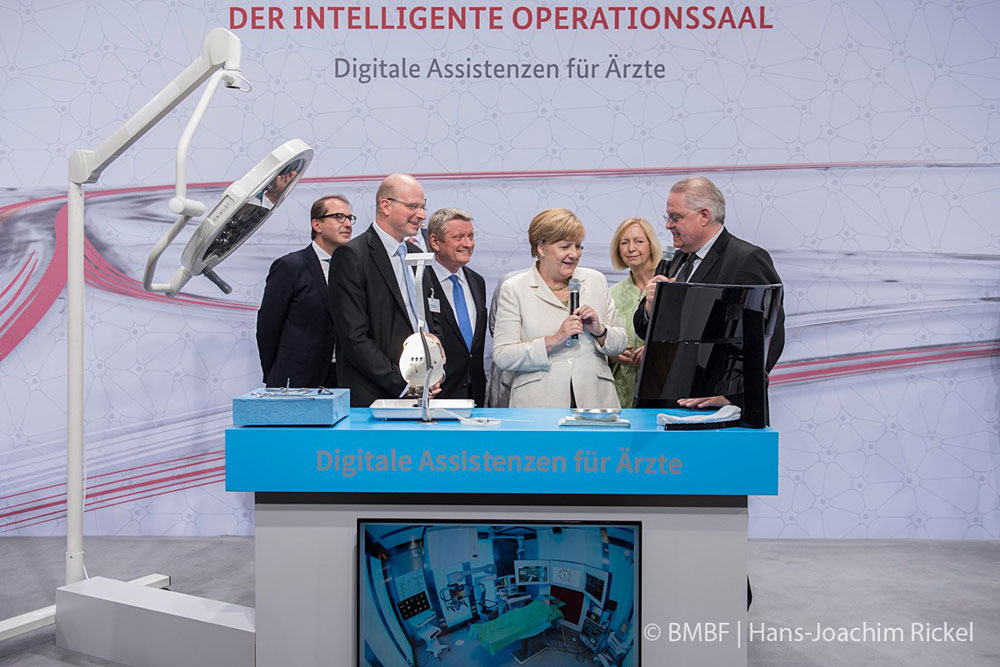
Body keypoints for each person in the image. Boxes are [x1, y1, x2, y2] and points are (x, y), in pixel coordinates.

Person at [633, 175, 785, 409]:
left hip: (714, 409)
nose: (667, 225)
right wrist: (649, 309)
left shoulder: (747, 259)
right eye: (668, 217)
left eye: (676, 218)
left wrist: (735, 395)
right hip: (662, 400)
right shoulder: (675, 260)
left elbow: (769, 333)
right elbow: (647, 331)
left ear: (704, 215)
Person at [492, 208, 627, 409]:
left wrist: (600, 331)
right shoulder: (514, 288)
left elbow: (621, 342)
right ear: (541, 248)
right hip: (538, 407)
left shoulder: (595, 280)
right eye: (565, 246)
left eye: (578, 246)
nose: (574, 254)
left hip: (596, 404)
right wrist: (554, 340)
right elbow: (504, 355)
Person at [329, 174, 441, 407]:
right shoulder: (352, 256)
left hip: (421, 393)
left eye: (423, 207)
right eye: (412, 206)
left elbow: (430, 318)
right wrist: (404, 384)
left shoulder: (415, 255)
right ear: (385, 205)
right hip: (375, 398)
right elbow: (354, 337)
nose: (421, 215)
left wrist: (435, 367)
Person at [256, 195, 354, 388]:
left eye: (350, 218)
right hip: (298, 380)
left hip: (344, 379)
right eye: (339, 217)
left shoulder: (354, 268)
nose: (348, 224)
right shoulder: (290, 266)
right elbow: (268, 328)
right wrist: (276, 374)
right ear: (317, 225)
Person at [423, 207, 487, 405]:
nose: (468, 244)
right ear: (435, 242)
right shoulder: (420, 282)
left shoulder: (477, 281)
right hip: (437, 395)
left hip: (474, 396)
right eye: (459, 237)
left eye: (471, 236)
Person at [607, 217, 662, 408]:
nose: (631, 248)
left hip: (661, 390)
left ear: (651, 245)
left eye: (639, 241)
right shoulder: (611, 294)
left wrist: (655, 351)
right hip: (620, 393)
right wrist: (611, 353)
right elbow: (598, 342)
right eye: (624, 242)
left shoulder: (669, 285)